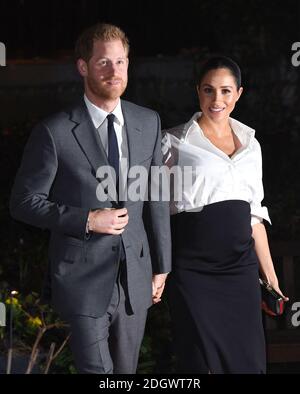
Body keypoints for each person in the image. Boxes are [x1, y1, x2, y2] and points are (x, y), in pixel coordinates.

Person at [10, 23, 171, 374]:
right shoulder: (53, 131)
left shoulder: (149, 122)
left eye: (121, 61)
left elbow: (157, 196)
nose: (114, 71)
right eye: (103, 62)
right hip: (82, 279)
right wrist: (86, 219)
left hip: (135, 276)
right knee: (97, 371)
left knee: (126, 374)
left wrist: (162, 264)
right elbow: (23, 201)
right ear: (83, 66)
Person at [162, 56, 288, 374]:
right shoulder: (172, 141)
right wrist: (158, 269)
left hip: (241, 273)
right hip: (192, 272)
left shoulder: (251, 144)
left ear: (239, 93)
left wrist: (271, 279)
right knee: (202, 362)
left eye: (226, 91)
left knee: (248, 363)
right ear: (198, 92)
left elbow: (254, 216)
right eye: (209, 90)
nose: (217, 100)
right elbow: (154, 209)